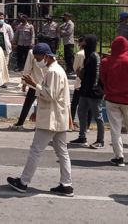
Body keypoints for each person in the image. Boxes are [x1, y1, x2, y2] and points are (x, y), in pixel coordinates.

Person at [7, 42, 73, 197]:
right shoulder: (52, 70)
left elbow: (51, 95)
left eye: (38, 58)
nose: (37, 61)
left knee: (36, 150)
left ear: (46, 56)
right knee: (62, 152)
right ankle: (66, 184)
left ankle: (23, 182)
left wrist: (34, 84)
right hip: (55, 116)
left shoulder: (54, 72)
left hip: (51, 118)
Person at [101, 36, 128, 166]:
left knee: (115, 129)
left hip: (112, 98)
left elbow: (103, 79)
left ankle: (119, 157)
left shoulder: (105, 61)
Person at [70, 35, 104, 149]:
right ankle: (82, 137)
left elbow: (97, 74)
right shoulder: (87, 56)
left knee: (98, 116)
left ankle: (100, 140)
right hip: (84, 90)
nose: (82, 43)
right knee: (81, 112)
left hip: (93, 92)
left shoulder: (95, 56)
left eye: (85, 41)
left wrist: (93, 88)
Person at [10, 44, 50, 130]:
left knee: (27, 104)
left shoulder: (32, 52)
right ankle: (38, 125)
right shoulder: (49, 54)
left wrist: (24, 83)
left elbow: (27, 68)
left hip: (34, 83)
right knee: (41, 105)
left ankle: (20, 123)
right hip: (43, 84)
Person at [70, 36, 86, 127]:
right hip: (88, 82)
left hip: (80, 80)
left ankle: (71, 119)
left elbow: (75, 67)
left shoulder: (79, 54)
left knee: (75, 102)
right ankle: (85, 124)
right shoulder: (93, 53)